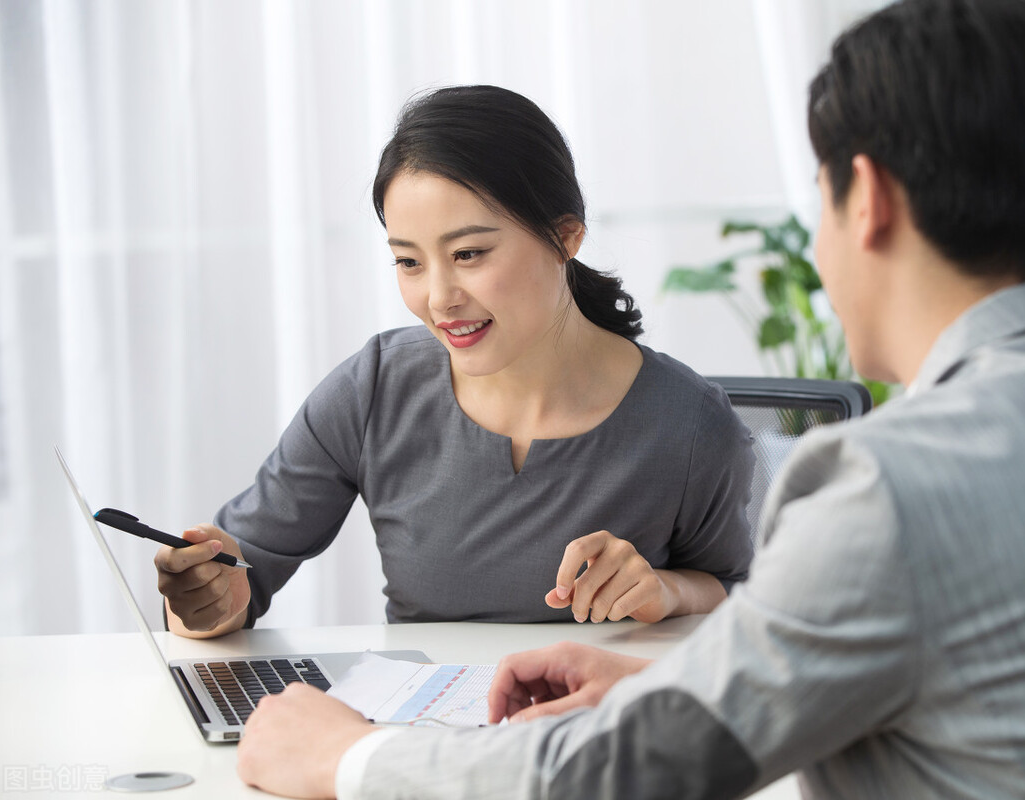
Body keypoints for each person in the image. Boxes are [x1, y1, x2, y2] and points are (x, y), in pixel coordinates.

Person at [237, 0, 1025, 797]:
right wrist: (660, 680)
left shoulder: (879, 484)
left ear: (864, 200)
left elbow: (630, 776)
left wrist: (348, 757)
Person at [155, 85, 755, 637]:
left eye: (468, 253)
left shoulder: (691, 423)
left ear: (565, 236)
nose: (438, 298)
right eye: (409, 262)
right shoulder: (376, 388)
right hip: (422, 734)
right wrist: (206, 598)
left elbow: (744, 597)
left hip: (601, 738)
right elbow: (239, 574)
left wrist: (666, 589)